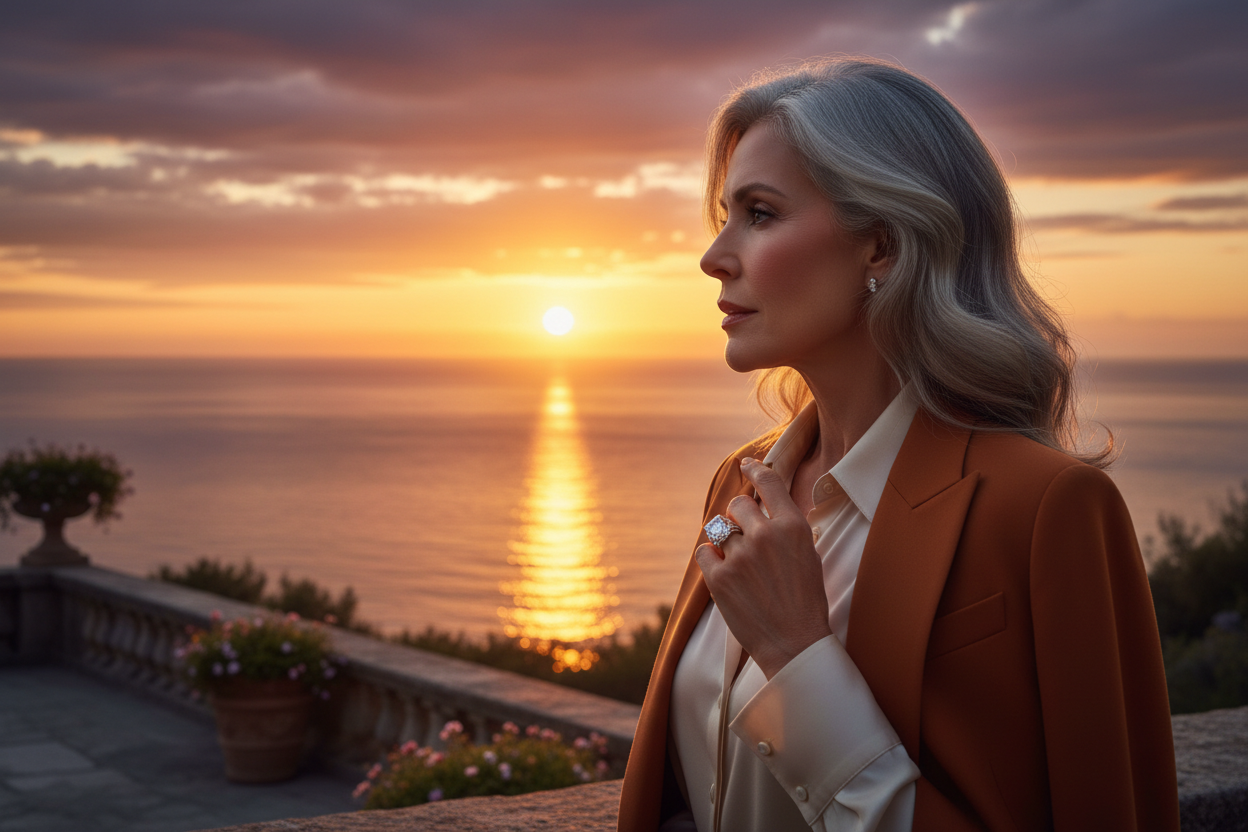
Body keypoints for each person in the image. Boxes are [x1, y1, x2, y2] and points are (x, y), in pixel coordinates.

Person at [616, 58, 1179, 832]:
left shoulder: (1045, 509)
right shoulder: (740, 485)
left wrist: (798, 657)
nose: (714, 256)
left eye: (760, 214)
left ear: (880, 246)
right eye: (725, 214)